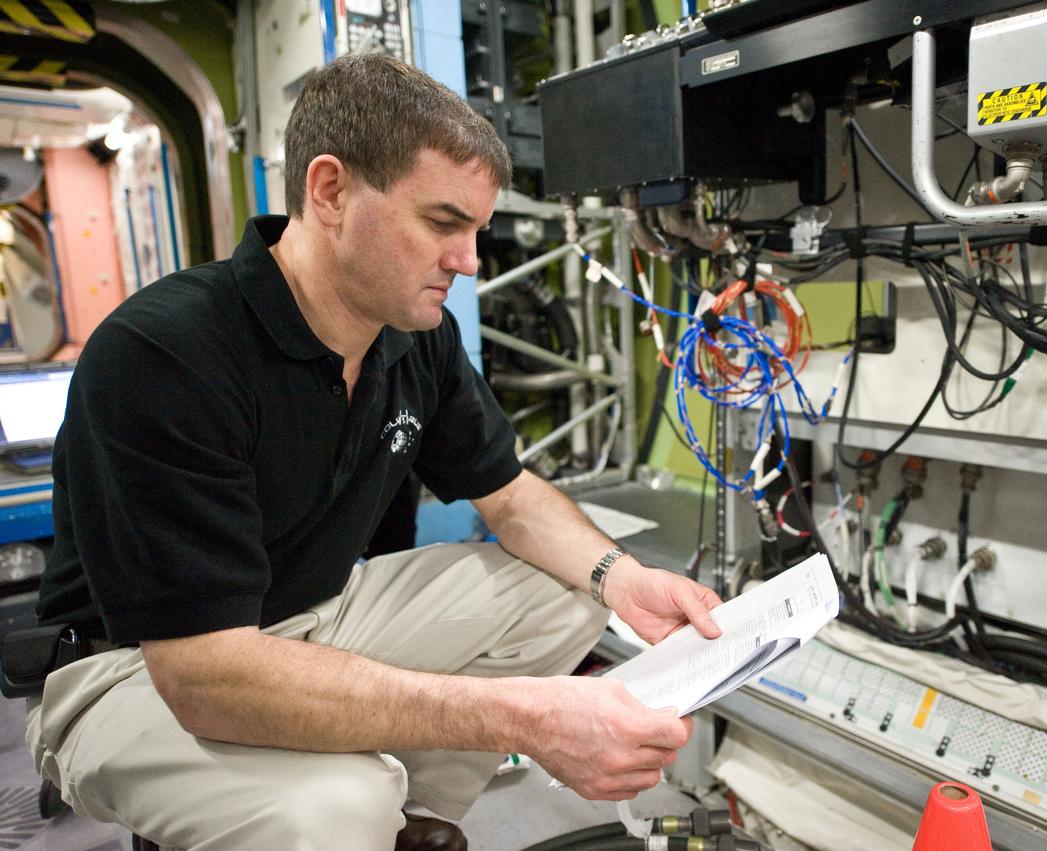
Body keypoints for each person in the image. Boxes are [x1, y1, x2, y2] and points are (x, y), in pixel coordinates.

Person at [27, 52, 723, 851]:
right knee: (339, 802)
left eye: (476, 231)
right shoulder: (168, 352)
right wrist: (525, 716)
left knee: (571, 588)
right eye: (443, 223)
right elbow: (205, 676)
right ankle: (364, 815)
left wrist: (627, 580)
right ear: (330, 191)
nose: (467, 261)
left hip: (309, 614)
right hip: (139, 668)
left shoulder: (412, 339)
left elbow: (512, 497)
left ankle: (417, 823)